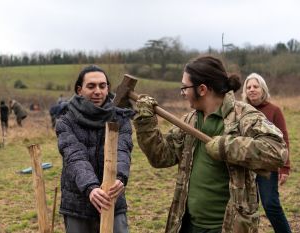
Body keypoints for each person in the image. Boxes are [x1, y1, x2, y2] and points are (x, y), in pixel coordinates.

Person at [133, 55, 288, 233]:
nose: (183, 93)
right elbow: (161, 157)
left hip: (227, 228)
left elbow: (277, 151)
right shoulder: (190, 121)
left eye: (185, 88)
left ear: (202, 89)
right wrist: (145, 123)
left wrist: (225, 147)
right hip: (187, 225)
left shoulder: (243, 116)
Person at [55, 65, 133, 233]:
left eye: (102, 86)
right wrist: (91, 188)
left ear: (108, 88)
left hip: (112, 198)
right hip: (78, 201)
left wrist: (120, 177)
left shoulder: (120, 118)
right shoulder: (65, 121)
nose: (98, 91)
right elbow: (74, 156)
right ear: (79, 90)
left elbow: (122, 150)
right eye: (91, 86)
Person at [242, 73, 292, 233]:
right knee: (247, 208)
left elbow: (284, 140)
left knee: (271, 204)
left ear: (262, 89)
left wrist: (285, 167)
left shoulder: (274, 110)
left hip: (267, 166)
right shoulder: (241, 111)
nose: (252, 90)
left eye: (255, 86)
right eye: (248, 87)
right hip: (245, 166)